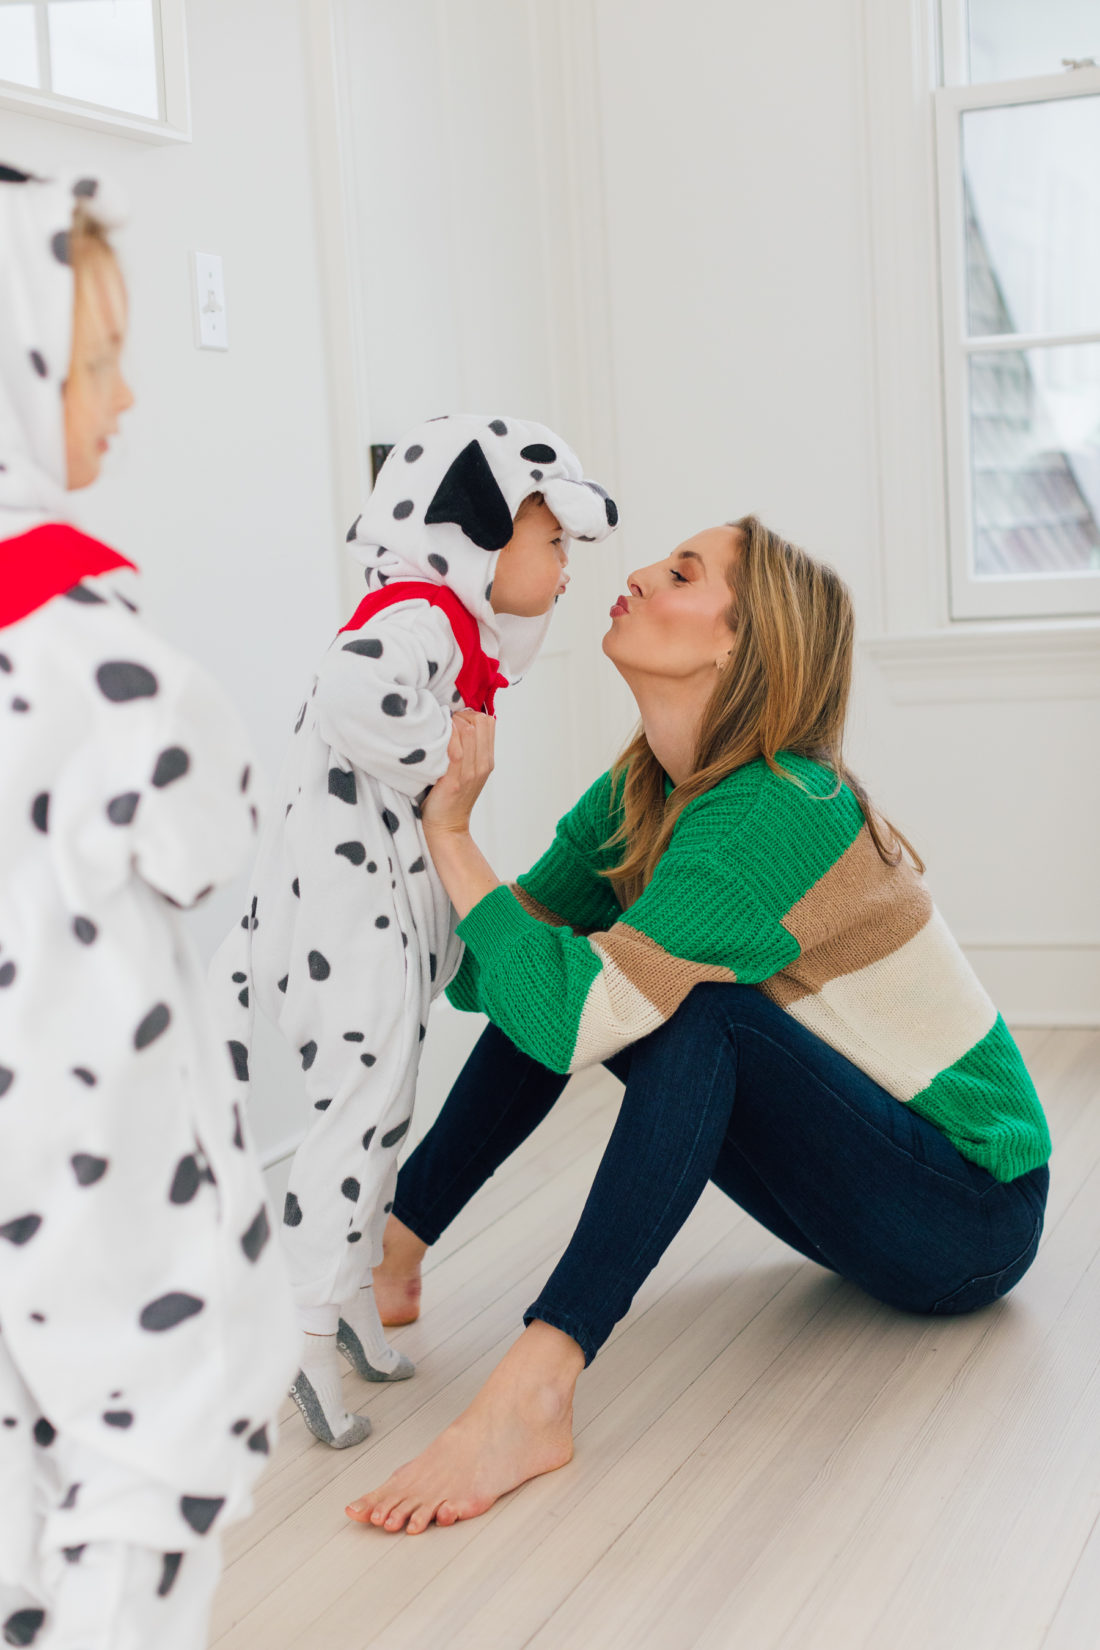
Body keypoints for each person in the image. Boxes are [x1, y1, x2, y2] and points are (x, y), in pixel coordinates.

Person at [346, 513, 1051, 1535]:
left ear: (737, 640)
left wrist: (452, 835)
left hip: (970, 1214)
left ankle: (537, 1389)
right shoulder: (639, 792)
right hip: (859, 1195)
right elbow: (494, 983)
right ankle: (392, 1256)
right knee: (587, 972)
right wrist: (404, 808)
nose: (633, 573)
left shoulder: (778, 806)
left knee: (693, 1017)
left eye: (679, 572)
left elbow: (562, 1012)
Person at [0, 167, 298, 1648]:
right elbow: (213, 826)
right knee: (149, 1464)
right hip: (93, 1139)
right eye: (98, 362)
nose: (124, 399)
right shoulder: (72, 637)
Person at [211, 415, 619, 1448]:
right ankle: (299, 1328)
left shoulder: (439, 623)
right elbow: (356, 689)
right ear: (477, 531)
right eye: (553, 542)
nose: (566, 569)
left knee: (381, 1111)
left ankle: (343, 1303)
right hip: (342, 925)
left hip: (361, 917)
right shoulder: (419, 615)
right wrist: (444, 757)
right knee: (355, 1114)